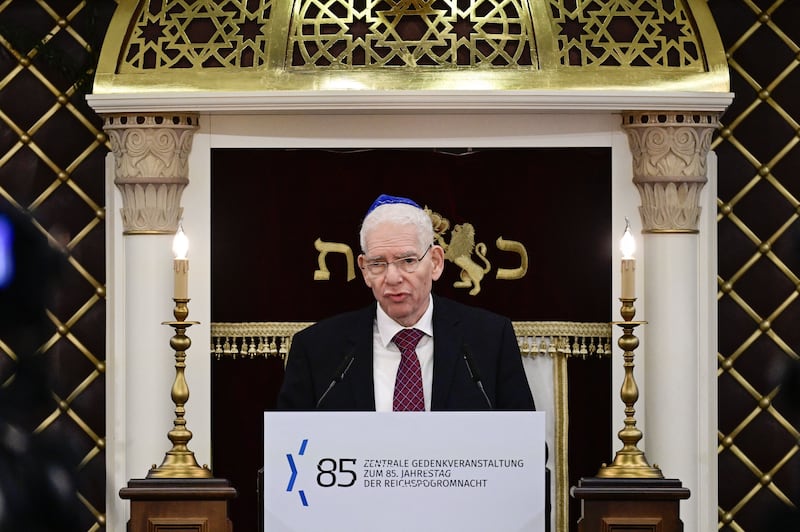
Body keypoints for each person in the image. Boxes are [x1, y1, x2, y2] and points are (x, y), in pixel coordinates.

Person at [276, 193, 535, 412]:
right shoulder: (316, 349)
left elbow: (527, 446)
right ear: (364, 269)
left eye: (408, 261)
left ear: (435, 262)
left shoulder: (490, 339)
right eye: (378, 263)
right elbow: (288, 446)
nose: (392, 278)